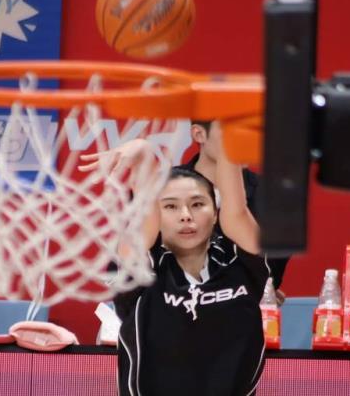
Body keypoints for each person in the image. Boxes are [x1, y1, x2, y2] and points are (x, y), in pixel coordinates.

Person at [79, 122, 269, 395]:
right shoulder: (143, 269)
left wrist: (230, 135)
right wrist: (144, 153)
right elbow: (144, 217)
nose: (185, 215)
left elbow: (236, 211)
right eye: (170, 206)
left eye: (197, 204)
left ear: (215, 213)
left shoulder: (238, 262)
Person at [182, 119, 289, 305]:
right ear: (199, 134)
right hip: (176, 313)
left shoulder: (273, 196)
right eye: (230, 130)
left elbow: (268, 277)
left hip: (243, 315)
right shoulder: (165, 190)